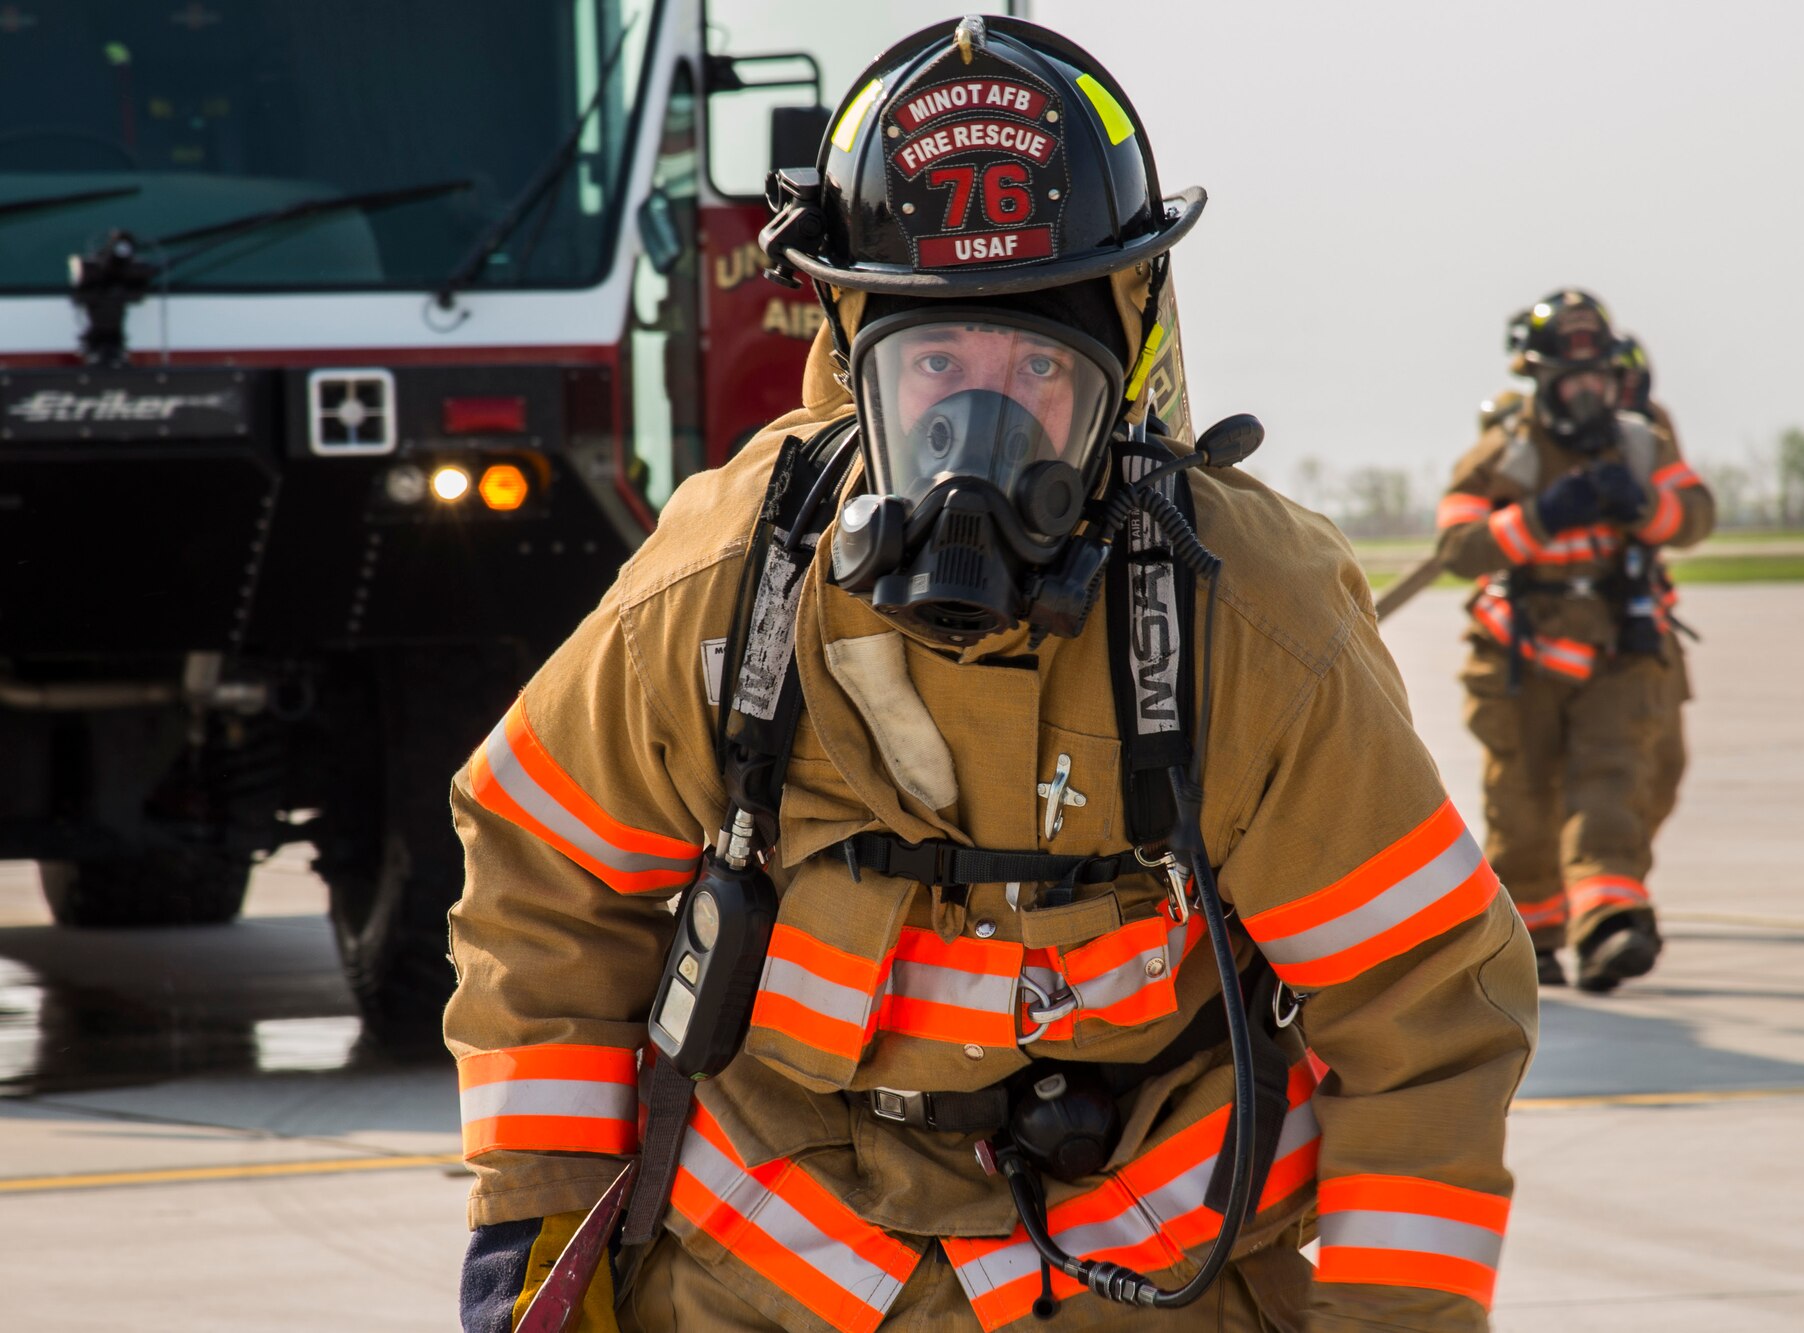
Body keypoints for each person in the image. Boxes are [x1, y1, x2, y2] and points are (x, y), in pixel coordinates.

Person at [449, 17, 1536, 1333]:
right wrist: (537, 1240)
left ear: (1122, 371)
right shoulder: (725, 585)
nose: (982, 424)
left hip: (1139, 1283)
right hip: (769, 1284)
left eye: (1036, 366)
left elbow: (1423, 1001)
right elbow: (544, 896)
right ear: (856, 360)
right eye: (937, 368)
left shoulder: (1245, 620)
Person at [1433, 291, 1713, 992]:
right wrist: (1539, 516)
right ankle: (1529, 940)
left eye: (1601, 375)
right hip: (1522, 660)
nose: (1591, 391)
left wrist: (1645, 505)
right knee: (1520, 807)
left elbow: (1696, 514)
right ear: (1542, 377)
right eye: (1573, 378)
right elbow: (1459, 547)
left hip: (1620, 651)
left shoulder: (1644, 437)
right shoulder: (1508, 447)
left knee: (1611, 785)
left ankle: (1611, 927)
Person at [1612, 336, 1697, 843]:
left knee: (1664, 768)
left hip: (1640, 620)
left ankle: (1613, 876)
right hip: (1548, 631)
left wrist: (1642, 502)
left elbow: (1690, 514)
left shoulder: (1649, 428)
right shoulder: (1526, 424)